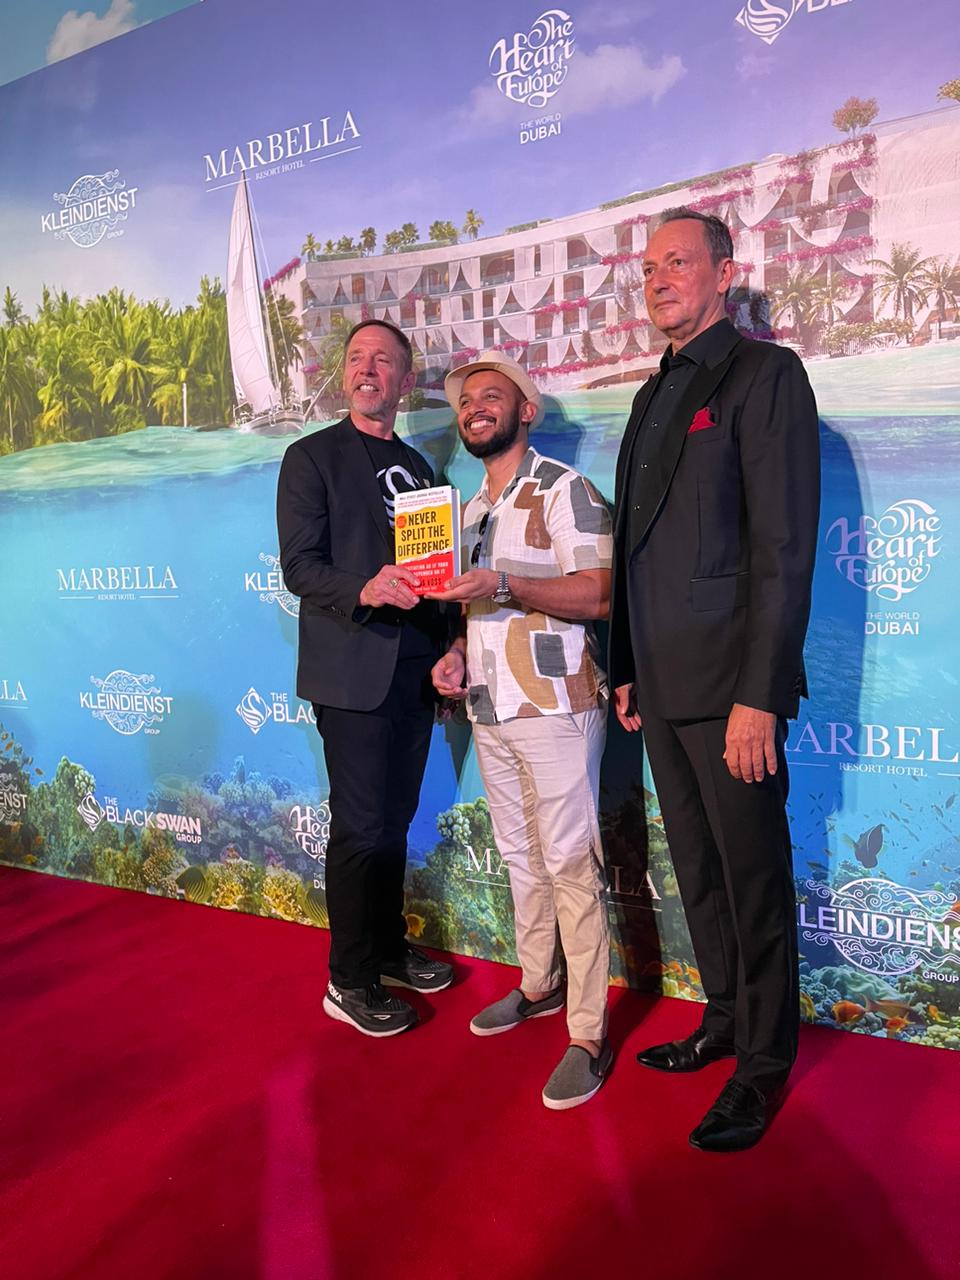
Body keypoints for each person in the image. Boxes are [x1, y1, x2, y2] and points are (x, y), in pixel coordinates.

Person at [608, 208, 820, 1150]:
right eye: (649, 268)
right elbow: (633, 548)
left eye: (678, 263)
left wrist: (760, 694)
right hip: (659, 686)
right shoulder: (651, 393)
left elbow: (783, 548)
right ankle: (725, 1021)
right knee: (698, 874)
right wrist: (625, 666)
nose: (659, 280)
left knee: (753, 879)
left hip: (733, 690)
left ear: (724, 274)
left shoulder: (765, 375)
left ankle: (764, 1067)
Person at [429, 353, 614, 1110]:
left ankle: (589, 1035)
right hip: (490, 708)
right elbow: (473, 610)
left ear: (526, 411)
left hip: (557, 704)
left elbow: (598, 594)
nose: (475, 407)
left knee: (570, 864)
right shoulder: (468, 512)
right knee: (519, 857)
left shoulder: (567, 490)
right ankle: (539, 984)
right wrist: (453, 653)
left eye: (491, 396)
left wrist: (503, 583)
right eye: (465, 400)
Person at [277, 319, 453, 1037]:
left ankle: (385, 947)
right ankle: (348, 981)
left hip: (414, 674)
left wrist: (447, 650)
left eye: (383, 360)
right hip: (351, 675)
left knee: (394, 823)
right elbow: (300, 568)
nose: (367, 369)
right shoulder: (310, 457)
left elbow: (435, 577)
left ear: (405, 381)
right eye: (356, 358)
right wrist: (366, 588)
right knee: (360, 828)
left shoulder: (421, 469)